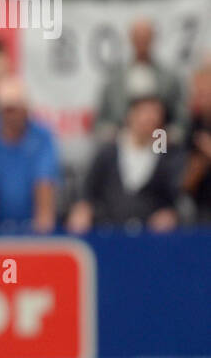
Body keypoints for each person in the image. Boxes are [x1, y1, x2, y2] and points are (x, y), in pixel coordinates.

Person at [67, 84, 183, 234]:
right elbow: (88, 190)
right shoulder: (108, 152)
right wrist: (83, 209)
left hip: (152, 237)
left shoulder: (167, 156)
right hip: (109, 232)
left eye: (155, 113)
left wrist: (171, 215)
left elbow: (175, 197)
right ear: (130, 115)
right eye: (144, 112)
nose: (149, 118)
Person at [0, 76, 59, 234]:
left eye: (14, 110)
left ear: (25, 110)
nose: (10, 116)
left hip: (32, 225)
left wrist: (42, 239)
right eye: (5, 110)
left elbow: (44, 190)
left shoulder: (42, 138)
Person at [95, 19, 183, 143]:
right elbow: (100, 122)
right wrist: (115, 136)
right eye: (138, 39)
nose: (142, 43)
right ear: (130, 40)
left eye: (146, 39)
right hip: (122, 148)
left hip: (160, 147)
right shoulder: (114, 80)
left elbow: (181, 121)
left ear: (153, 40)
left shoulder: (169, 78)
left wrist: (169, 136)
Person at [182, 58, 211, 223]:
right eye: (197, 93)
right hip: (200, 207)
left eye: (205, 93)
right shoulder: (192, 126)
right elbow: (185, 185)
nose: (199, 98)